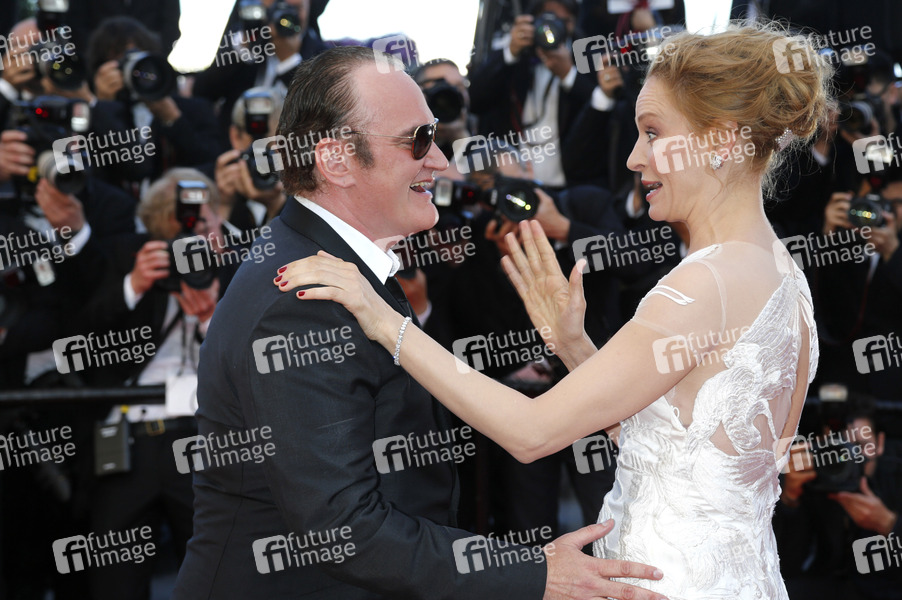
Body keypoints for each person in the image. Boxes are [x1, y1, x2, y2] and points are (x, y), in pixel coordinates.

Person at [275, 22, 834, 599]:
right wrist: (572, 346)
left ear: (718, 140)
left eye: (652, 132)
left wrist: (384, 319)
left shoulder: (705, 283)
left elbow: (530, 432)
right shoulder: (781, 274)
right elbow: (677, 444)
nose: (635, 157)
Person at [173, 46, 665, 600]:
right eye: (417, 140)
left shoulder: (346, 271)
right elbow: (345, 532)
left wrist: (570, 344)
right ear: (336, 160)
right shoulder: (302, 298)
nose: (441, 161)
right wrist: (533, 574)